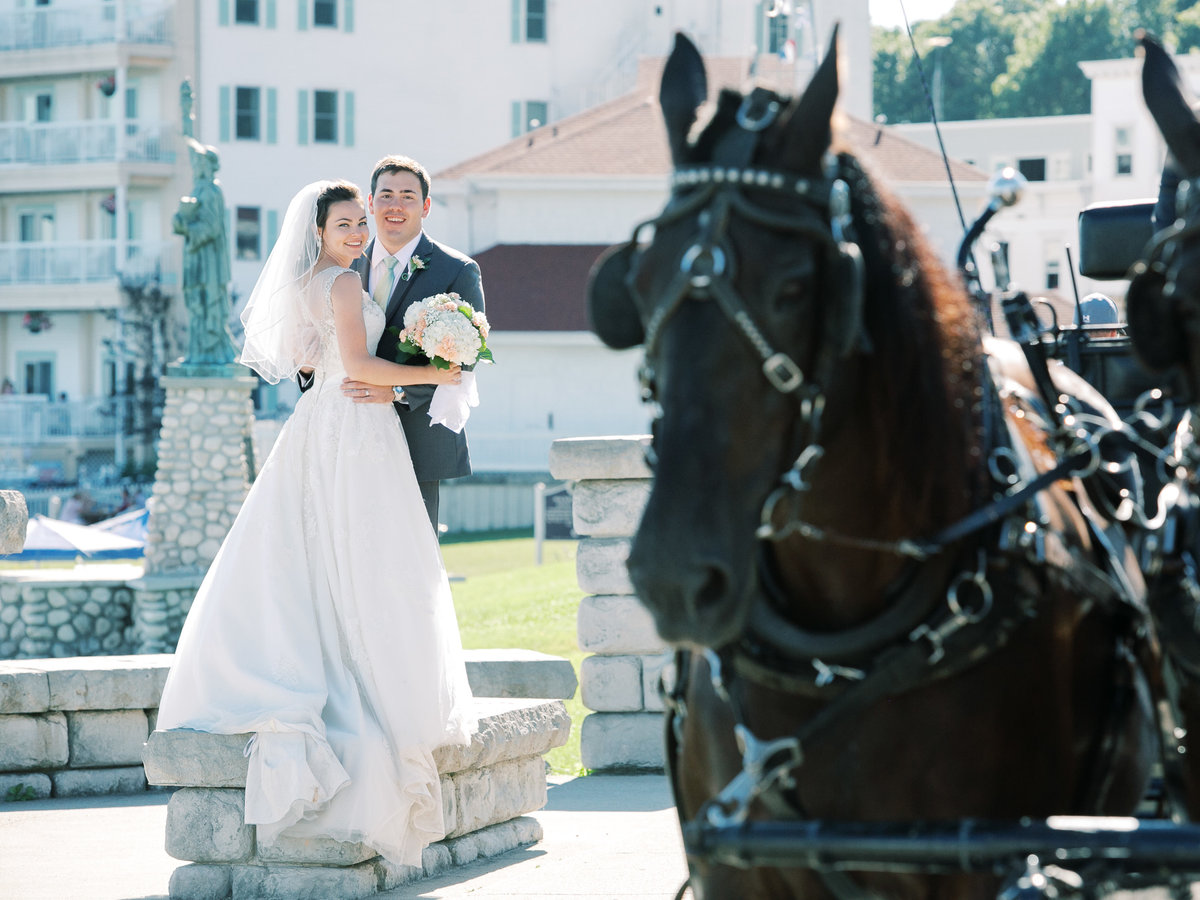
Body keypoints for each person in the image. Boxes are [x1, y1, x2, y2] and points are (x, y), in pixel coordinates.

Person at [156, 180, 475, 867]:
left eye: (362, 222)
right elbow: (357, 365)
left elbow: (306, 360)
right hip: (357, 423)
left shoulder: (308, 282)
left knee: (320, 553)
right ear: (320, 231)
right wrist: (440, 373)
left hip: (319, 423)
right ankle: (375, 684)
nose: (359, 232)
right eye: (346, 224)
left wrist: (350, 364)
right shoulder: (339, 285)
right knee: (366, 557)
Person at [329, 155, 485, 531]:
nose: (395, 206)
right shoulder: (344, 265)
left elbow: (466, 358)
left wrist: (396, 391)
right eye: (385, 195)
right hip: (346, 430)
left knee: (411, 555)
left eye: (407, 196)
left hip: (417, 435)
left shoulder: (457, 271)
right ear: (370, 202)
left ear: (426, 206)